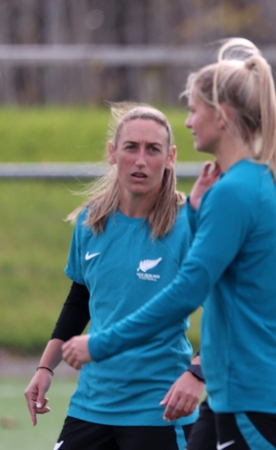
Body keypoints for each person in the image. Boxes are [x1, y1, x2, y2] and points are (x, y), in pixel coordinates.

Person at [62, 37, 276, 450]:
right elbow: (232, 273)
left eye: (194, 110)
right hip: (240, 393)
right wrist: (195, 213)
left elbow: (187, 290)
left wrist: (100, 344)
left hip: (253, 392)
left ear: (223, 116)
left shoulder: (236, 192)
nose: (190, 121)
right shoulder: (272, 186)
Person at [23, 103, 204, 450]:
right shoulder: (91, 222)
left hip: (159, 410)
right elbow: (80, 300)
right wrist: (45, 368)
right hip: (92, 405)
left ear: (170, 157)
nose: (140, 160)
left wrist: (197, 371)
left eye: (153, 150)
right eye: (131, 147)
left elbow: (227, 308)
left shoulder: (188, 225)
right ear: (112, 153)